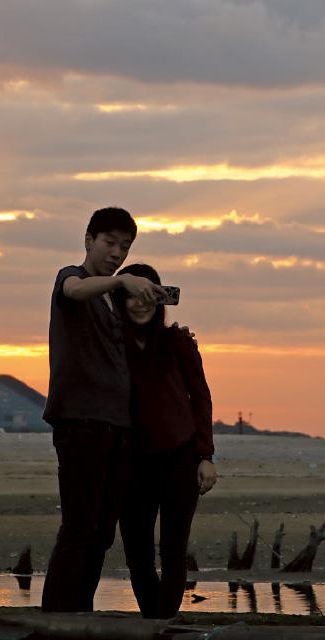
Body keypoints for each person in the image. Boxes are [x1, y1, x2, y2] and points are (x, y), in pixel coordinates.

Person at [41, 207, 160, 612]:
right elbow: (74, 290)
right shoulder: (71, 278)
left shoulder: (114, 299)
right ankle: (57, 614)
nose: (116, 253)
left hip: (117, 427)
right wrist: (121, 280)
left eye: (125, 248)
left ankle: (79, 608)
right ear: (89, 239)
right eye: (110, 243)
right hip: (79, 421)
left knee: (103, 531)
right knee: (79, 525)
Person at [113, 263, 217, 620]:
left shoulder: (178, 343)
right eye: (132, 296)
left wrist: (206, 455)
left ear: (161, 299)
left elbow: (200, 398)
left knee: (174, 551)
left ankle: (164, 624)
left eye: (149, 296)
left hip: (180, 458)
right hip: (130, 462)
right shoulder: (111, 344)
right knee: (137, 552)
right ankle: (153, 621)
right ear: (119, 299)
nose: (140, 304)